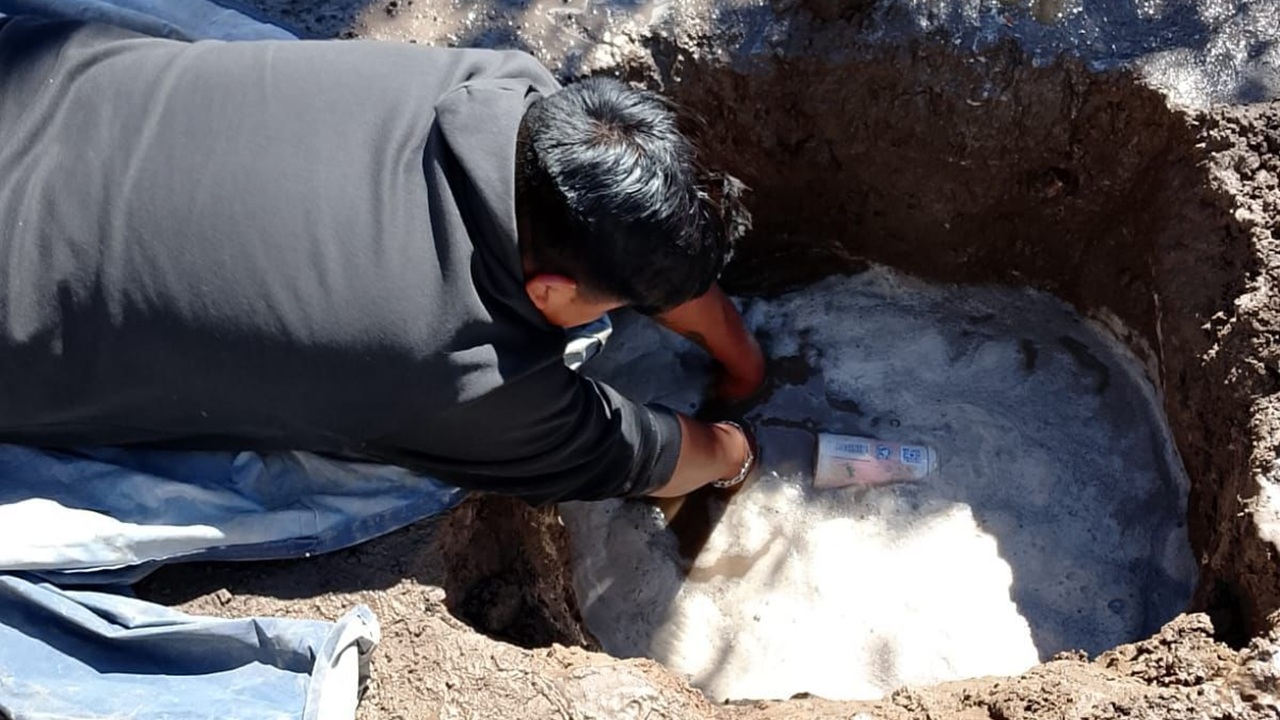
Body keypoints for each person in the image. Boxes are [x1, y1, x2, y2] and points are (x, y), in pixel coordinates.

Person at [0, 14, 766, 505]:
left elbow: (625, 224)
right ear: (553, 289)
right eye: (618, 304)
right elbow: (644, 452)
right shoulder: (461, 372)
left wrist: (741, 362)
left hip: (38, 74)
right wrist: (738, 452)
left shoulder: (499, 92)